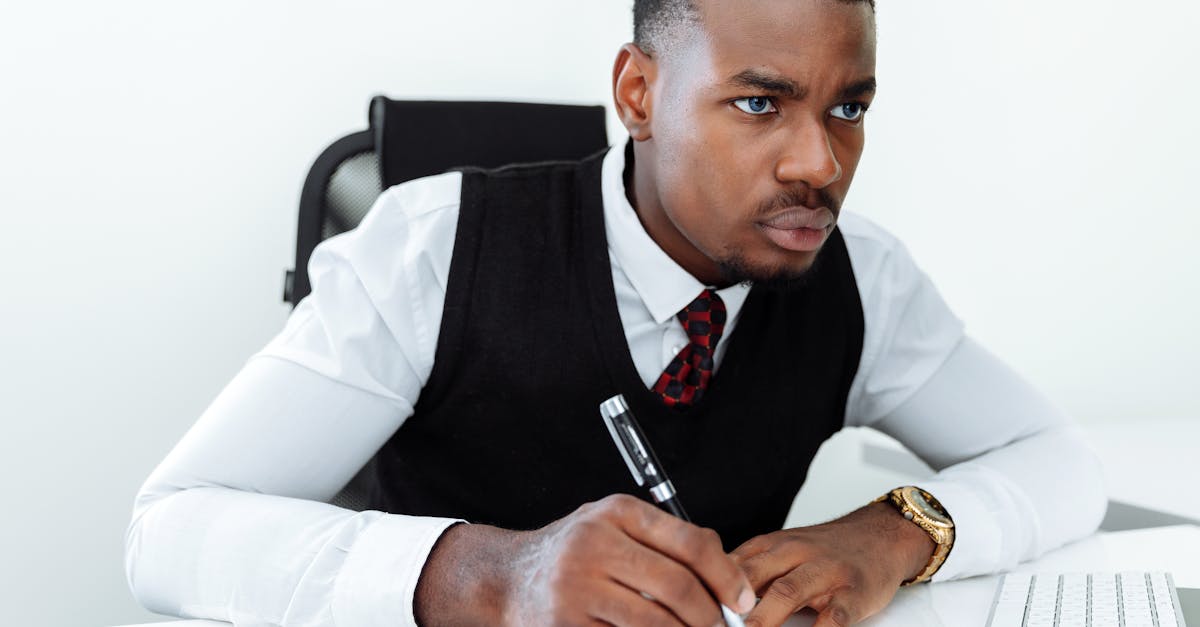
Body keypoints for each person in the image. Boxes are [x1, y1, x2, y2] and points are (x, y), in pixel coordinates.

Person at [124, 0, 1107, 625]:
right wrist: (487, 576)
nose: (819, 164)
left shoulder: (863, 280)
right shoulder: (429, 245)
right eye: (761, 104)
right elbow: (167, 532)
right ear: (639, 92)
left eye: (848, 109)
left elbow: (1059, 462)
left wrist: (898, 530)